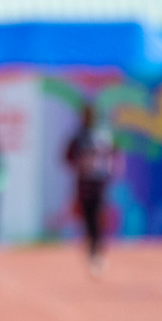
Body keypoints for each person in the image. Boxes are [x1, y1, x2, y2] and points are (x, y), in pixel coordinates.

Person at [64, 103, 115, 276]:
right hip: (84, 183)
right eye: (86, 115)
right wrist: (81, 164)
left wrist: (108, 170)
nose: (88, 119)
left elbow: (112, 154)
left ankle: (96, 250)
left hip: (98, 182)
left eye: (91, 115)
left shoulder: (102, 135)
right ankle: (92, 247)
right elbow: (67, 156)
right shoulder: (78, 137)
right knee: (86, 216)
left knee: (97, 215)